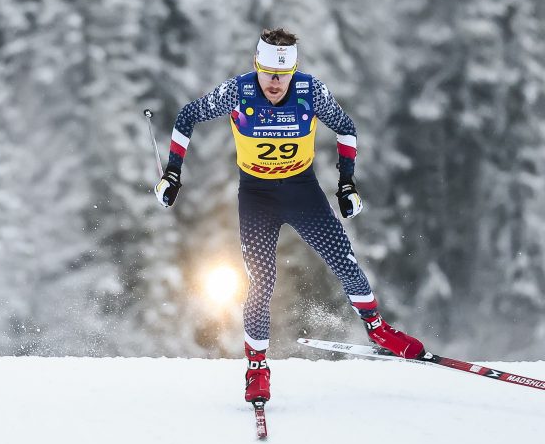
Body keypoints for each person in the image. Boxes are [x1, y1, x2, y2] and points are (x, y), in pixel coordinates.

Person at [155, 27, 424, 404]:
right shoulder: (238, 91)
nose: (276, 83)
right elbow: (187, 116)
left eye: (283, 75)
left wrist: (347, 184)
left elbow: (346, 128)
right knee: (261, 281)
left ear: (293, 70)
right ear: (257, 67)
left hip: (302, 191)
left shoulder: (310, 92)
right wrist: (171, 174)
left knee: (344, 261)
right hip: (257, 197)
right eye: (269, 74)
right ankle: (257, 368)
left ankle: (378, 330)